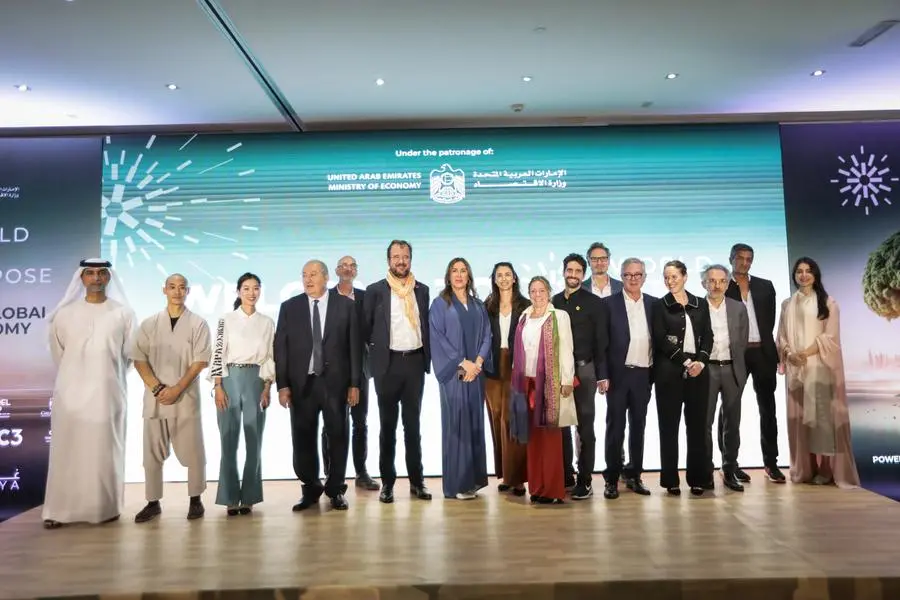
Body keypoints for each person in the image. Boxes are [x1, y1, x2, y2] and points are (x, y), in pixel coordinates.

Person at [42, 259, 135, 529]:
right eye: (90, 273)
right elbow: (59, 354)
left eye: (101, 273)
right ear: (81, 278)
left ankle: (105, 509)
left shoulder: (123, 314)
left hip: (108, 395)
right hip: (70, 396)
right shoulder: (64, 314)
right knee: (67, 452)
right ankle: (58, 511)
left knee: (103, 452)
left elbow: (130, 356)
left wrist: (107, 377)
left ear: (108, 277)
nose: (96, 278)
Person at [275, 260, 361, 512]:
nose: (308, 279)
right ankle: (310, 487)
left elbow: (355, 348)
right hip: (302, 385)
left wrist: (354, 383)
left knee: (338, 436)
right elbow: (281, 349)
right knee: (303, 438)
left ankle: (336, 489)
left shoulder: (346, 306)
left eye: (313, 274)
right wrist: (283, 385)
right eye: (304, 275)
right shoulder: (289, 307)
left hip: (335, 384)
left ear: (325, 278)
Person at [132, 273, 212, 522]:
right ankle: (152, 502)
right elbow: (139, 359)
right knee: (151, 455)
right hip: (155, 400)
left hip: (185, 397)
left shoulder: (198, 323)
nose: (177, 291)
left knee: (194, 453)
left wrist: (177, 389)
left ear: (188, 291)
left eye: (182, 287)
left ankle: (196, 500)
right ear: (164, 290)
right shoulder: (149, 324)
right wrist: (157, 388)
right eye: (172, 287)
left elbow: (200, 362)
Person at [776, 257, 859, 489]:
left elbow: (830, 338)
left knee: (823, 422)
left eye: (808, 271)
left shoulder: (828, 303)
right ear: (794, 275)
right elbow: (781, 336)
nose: (803, 275)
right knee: (800, 422)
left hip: (820, 370)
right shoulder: (787, 304)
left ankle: (826, 470)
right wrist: (789, 353)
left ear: (816, 275)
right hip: (796, 371)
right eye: (799, 271)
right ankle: (804, 469)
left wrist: (804, 353)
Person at [364, 240, 432, 503]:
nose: (401, 261)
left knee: (413, 427)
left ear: (410, 260)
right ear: (388, 260)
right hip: (387, 365)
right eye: (396, 257)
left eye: (405, 256)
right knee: (387, 428)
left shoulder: (422, 290)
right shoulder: (375, 291)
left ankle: (417, 482)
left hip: (414, 363)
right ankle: (387, 484)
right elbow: (366, 330)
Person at [209, 272, 275, 516]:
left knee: (254, 440)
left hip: (256, 380)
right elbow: (218, 353)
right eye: (246, 288)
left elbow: (270, 356)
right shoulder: (226, 319)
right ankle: (229, 497)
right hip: (229, 379)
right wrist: (217, 386)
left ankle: (249, 496)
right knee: (228, 440)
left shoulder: (267, 322)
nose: (251, 293)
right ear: (238, 291)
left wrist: (267, 387)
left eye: (256, 288)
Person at [429, 257, 492, 499]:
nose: (458, 274)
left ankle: (473, 480)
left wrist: (478, 362)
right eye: (454, 270)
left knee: (474, 424)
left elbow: (487, 335)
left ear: (469, 276)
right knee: (457, 425)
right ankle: (458, 484)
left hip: (476, 373)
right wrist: (462, 362)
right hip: (455, 374)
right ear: (448, 276)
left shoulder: (478, 305)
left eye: (463, 270)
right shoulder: (440, 304)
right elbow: (438, 337)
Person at [510, 276, 575, 505]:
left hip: (549, 383)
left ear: (549, 292)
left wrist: (567, 379)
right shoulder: (524, 316)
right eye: (533, 291)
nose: (537, 295)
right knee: (533, 439)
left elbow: (566, 348)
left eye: (541, 290)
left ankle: (552, 490)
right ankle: (537, 488)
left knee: (550, 439)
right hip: (526, 383)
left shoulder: (559, 316)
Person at [651, 260, 713, 497]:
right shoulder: (660, 305)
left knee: (697, 427)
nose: (670, 281)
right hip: (669, 374)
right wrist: (686, 362)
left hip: (698, 373)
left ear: (685, 277)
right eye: (666, 277)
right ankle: (670, 480)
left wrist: (701, 362)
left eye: (674, 276)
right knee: (669, 428)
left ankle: (698, 478)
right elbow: (661, 339)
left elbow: (708, 335)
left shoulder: (700, 303)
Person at [726, 243, 785, 483]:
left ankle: (771, 463)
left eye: (749, 259)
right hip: (735, 355)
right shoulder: (722, 285)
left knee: (768, 409)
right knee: (730, 409)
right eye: (740, 258)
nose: (744, 262)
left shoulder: (765, 286)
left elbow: (769, 321)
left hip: (763, 353)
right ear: (731, 259)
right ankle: (730, 464)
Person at [553, 253, 608, 500]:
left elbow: (601, 342)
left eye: (577, 271)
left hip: (584, 371)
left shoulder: (594, 303)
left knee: (585, 426)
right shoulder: (554, 301)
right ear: (564, 272)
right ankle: (566, 475)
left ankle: (585, 480)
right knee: (561, 425)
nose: (573, 275)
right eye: (569, 270)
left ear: (583, 275)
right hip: (559, 373)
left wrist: (602, 375)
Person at [599, 258, 655, 499]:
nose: (633, 279)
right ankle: (611, 478)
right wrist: (602, 375)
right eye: (628, 274)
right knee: (615, 428)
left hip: (644, 374)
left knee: (639, 426)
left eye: (637, 274)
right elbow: (601, 344)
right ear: (621, 277)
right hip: (617, 376)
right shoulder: (608, 304)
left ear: (644, 277)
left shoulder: (654, 304)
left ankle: (634, 475)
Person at [322, 256, 379, 491]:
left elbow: (373, 330)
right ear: (336, 271)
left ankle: (361, 472)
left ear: (356, 271)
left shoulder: (366, 298)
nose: (348, 269)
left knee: (360, 422)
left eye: (352, 266)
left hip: (360, 367)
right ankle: (330, 473)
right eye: (343, 265)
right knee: (330, 422)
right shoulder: (326, 297)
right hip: (332, 369)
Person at [701, 264, 749, 492]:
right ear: (704, 283)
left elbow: (742, 341)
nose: (716, 285)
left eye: (721, 281)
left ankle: (729, 469)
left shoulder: (738, 308)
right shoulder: (696, 306)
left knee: (732, 423)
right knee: (704, 423)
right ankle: (705, 471)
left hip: (731, 370)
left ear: (728, 284)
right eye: (712, 280)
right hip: (706, 370)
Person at [483, 262, 530, 496]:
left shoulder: (525, 305)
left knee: (514, 419)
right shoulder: (487, 305)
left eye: (507, 274)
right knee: (496, 418)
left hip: (516, 365)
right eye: (499, 275)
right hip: (492, 367)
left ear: (514, 278)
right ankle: (505, 475)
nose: (503, 278)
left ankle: (518, 478)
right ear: (494, 279)